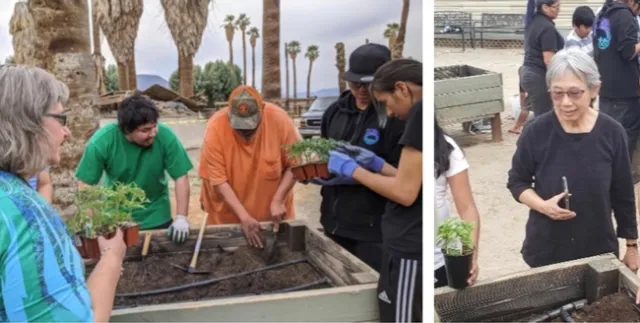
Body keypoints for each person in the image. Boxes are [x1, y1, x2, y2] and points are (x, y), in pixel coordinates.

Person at [328, 59, 472, 322]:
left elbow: (404, 192)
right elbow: (414, 181)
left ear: (402, 89)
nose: (389, 112)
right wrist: (379, 165)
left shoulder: (417, 114)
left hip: (410, 249)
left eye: (385, 102)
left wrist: (354, 170)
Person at [0, 65, 125, 321]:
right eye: (61, 118)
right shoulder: (24, 216)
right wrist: (112, 258)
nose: (66, 132)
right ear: (29, 122)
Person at [507, 49, 638, 270]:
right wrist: (543, 206)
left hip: (597, 248)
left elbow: (622, 192)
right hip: (547, 246)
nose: (566, 102)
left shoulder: (612, 132)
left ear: (594, 89)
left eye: (575, 93)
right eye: (557, 93)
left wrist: (632, 245)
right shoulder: (536, 131)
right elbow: (517, 182)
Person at [310, 43, 405, 272]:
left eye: (369, 84)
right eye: (355, 83)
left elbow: (404, 176)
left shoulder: (396, 116)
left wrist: (359, 174)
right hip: (334, 222)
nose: (362, 90)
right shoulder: (334, 112)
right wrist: (317, 171)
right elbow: (323, 152)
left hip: (374, 230)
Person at [75, 93, 194, 244]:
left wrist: (181, 218)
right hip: (117, 219)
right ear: (126, 130)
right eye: (145, 130)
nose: (152, 134)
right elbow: (85, 184)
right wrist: (89, 221)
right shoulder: (102, 142)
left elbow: (180, 176)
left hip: (156, 215)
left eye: (154, 126)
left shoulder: (166, 136)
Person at [198, 85, 301, 248]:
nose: (244, 131)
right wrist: (243, 217)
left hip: (272, 219)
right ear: (229, 113)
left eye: (250, 126)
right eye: (238, 126)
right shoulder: (215, 127)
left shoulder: (280, 120)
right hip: (228, 217)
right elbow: (219, 181)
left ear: (262, 111)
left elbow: (295, 165)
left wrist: (279, 199)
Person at [593, 0, 640, 164]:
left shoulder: (603, 15)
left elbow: (600, 49)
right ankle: (622, 176)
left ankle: (607, 172)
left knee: (607, 135)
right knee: (625, 136)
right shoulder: (625, 15)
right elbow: (628, 52)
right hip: (625, 91)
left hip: (606, 88)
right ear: (633, 2)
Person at [521, 0, 564, 117]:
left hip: (528, 73)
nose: (559, 10)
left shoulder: (533, 20)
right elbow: (548, 60)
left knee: (540, 114)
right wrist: (557, 81)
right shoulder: (547, 28)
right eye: (556, 7)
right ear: (545, 7)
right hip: (538, 76)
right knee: (544, 116)